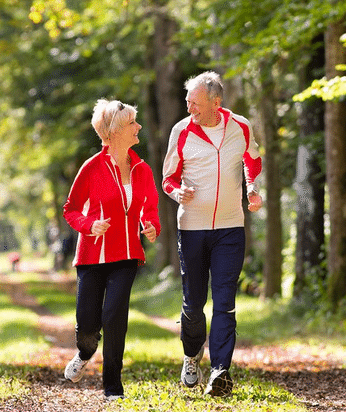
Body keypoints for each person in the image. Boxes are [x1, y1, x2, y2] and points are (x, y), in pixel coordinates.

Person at [162, 71, 263, 397]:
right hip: (192, 228)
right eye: (188, 100)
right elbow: (168, 179)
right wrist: (178, 193)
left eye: (195, 102)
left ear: (215, 103)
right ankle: (192, 356)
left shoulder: (240, 126)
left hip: (230, 228)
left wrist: (253, 188)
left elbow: (253, 160)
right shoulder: (181, 131)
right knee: (193, 304)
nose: (189, 106)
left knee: (225, 302)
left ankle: (220, 370)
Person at [63, 99, 160, 400]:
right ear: (115, 131)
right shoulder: (91, 168)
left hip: (127, 254)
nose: (138, 127)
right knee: (88, 324)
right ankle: (84, 351)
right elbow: (71, 209)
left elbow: (150, 207)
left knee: (114, 315)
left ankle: (112, 388)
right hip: (92, 256)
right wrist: (89, 225)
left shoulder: (142, 169)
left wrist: (150, 225)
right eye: (133, 122)